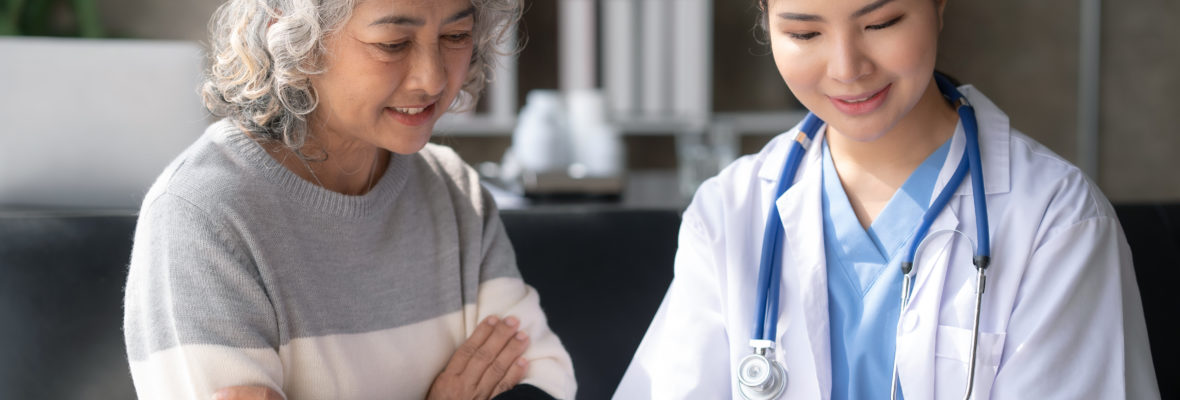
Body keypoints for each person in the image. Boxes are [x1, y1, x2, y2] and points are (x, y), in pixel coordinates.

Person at [615, 0, 1159, 398]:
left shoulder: (1055, 220)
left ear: (939, 7)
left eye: (880, 23)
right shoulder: (731, 211)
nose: (847, 68)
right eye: (805, 33)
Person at [121, 0, 577, 399]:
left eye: (456, 35)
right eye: (393, 43)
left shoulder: (454, 189)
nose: (432, 77)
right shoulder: (203, 214)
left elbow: (543, 377)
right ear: (294, 38)